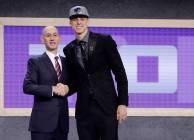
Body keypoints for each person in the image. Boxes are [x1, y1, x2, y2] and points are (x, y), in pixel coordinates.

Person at [63, 6, 128, 140]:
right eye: (75, 19)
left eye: (82, 19)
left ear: (87, 21)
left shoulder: (104, 41)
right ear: (70, 23)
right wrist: (65, 88)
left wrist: (122, 103)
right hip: (84, 111)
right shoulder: (68, 49)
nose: (78, 22)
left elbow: (120, 73)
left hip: (107, 108)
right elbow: (76, 80)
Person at [23, 26, 73, 140]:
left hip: (62, 124)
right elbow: (27, 86)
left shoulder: (67, 62)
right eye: (48, 35)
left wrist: (67, 88)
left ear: (59, 38)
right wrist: (52, 89)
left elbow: (74, 84)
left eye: (55, 35)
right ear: (42, 39)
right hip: (42, 125)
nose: (52, 38)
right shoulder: (35, 62)